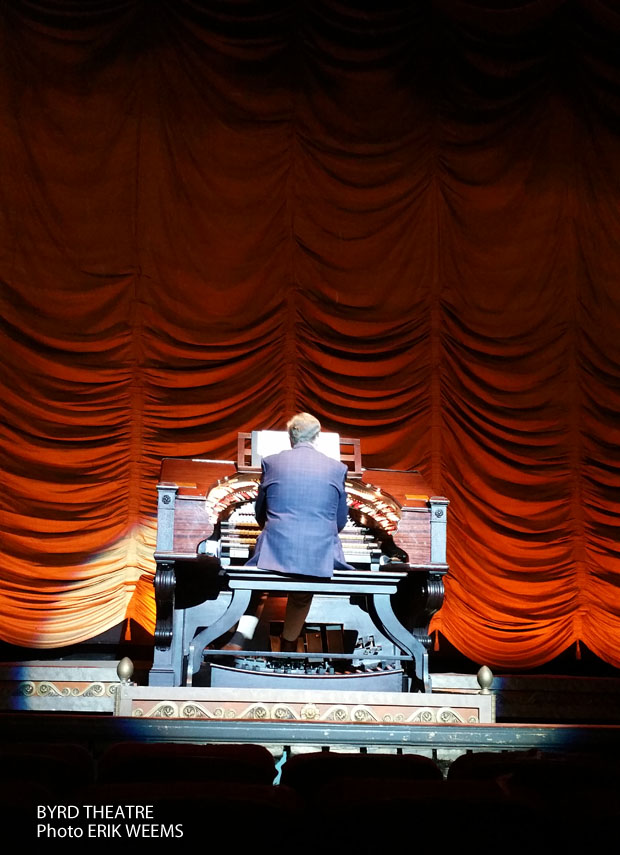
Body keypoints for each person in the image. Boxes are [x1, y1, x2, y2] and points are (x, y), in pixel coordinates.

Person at [230, 412, 353, 651]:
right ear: (318, 437)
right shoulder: (337, 468)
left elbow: (260, 514)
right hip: (318, 552)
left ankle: (239, 639)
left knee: (260, 577)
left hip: (278, 545)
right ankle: (288, 645)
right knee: (305, 581)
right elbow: (340, 522)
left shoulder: (271, 462)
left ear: (290, 437)